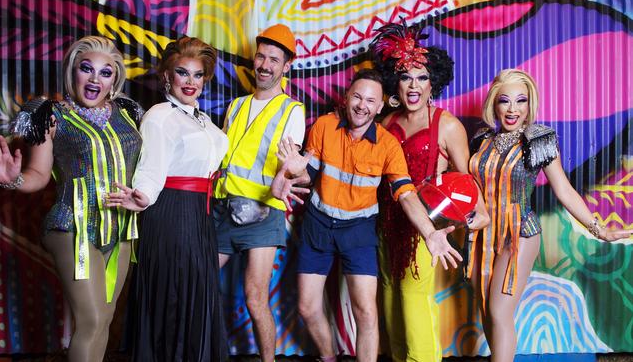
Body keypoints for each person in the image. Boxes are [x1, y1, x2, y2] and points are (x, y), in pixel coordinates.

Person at [270, 68, 463, 362]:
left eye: (370, 101)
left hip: (359, 231)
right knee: (307, 307)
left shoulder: (387, 145)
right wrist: (293, 170)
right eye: (357, 97)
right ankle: (328, 357)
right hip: (318, 225)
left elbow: (406, 194)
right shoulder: (323, 126)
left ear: (381, 106)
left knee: (366, 311)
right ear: (347, 98)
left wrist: (430, 232)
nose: (362, 105)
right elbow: (309, 173)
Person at [0, 36, 142, 362]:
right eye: (87, 69)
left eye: (105, 72)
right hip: (72, 223)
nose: (95, 79)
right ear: (73, 72)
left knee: (105, 323)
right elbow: (39, 175)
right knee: (92, 320)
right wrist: (12, 179)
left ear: (115, 79)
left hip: (122, 228)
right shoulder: (52, 115)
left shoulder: (127, 112)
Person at [467, 69, 633, 362]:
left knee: (499, 311)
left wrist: (600, 230)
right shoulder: (482, 139)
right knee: (488, 313)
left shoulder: (538, 139)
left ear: (530, 105)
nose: (513, 109)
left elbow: (565, 190)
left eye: (521, 101)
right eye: (505, 101)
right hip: (482, 234)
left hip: (520, 233)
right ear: (494, 103)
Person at [369, 21, 488, 362]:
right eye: (406, 76)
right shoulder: (387, 122)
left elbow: (466, 178)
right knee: (390, 298)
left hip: (423, 228)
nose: (414, 85)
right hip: (386, 221)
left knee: (412, 297)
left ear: (433, 81)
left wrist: (478, 212)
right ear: (396, 82)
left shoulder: (446, 124)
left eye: (421, 77)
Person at [105, 36, 228, 361]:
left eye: (197, 74)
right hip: (171, 212)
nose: (190, 82)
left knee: (196, 295)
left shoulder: (201, 119)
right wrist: (142, 196)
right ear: (166, 76)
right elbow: (152, 166)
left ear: (206, 78)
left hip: (200, 217)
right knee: (173, 296)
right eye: (182, 73)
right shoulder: (160, 115)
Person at [211, 23, 305, 362]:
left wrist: (285, 175)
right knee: (200, 284)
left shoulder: (292, 110)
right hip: (223, 208)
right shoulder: (235, 106)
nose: (265, 65)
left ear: (286, 66)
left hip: (263, 213)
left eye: (274, 60)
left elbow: (292, 160)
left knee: (254, 297)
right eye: (261, 56)